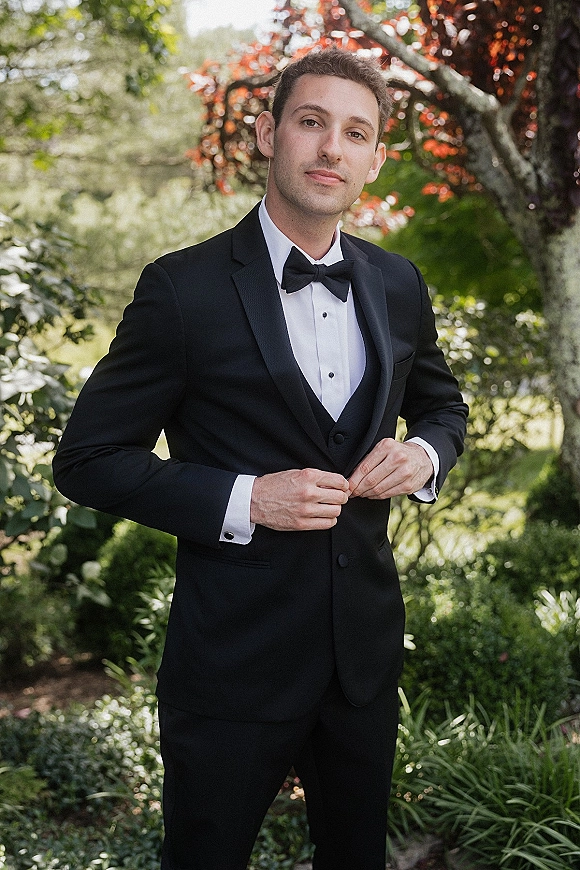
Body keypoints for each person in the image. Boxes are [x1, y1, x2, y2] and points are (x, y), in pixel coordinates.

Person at [53, 48, 468, 870]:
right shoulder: (181, 289)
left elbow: (445, 408)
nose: (331, 150)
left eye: (356, 133)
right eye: (312, 123)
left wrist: (423, 456)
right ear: (266, 133)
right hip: (231, 666)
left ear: (375, 159)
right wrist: (248, 501)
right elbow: (88, 457)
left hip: (363, 661)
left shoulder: (396, 282)